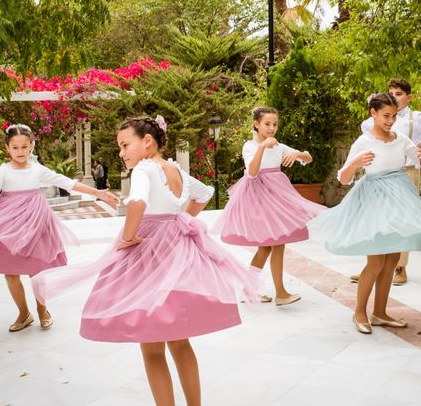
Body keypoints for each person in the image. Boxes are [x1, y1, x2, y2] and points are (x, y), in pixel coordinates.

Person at [33, 116, 258, 406]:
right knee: (180, 341)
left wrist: (128, 237)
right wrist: (182, 220)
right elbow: (204, 194)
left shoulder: (144, 169)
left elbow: (137, 202)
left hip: (149, 254)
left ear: (147, 141)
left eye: (125, 145)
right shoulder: (174, 169)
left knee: (152, 347)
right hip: (177, 253)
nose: (121, 153)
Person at [0, 123, 118, 332]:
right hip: (9, 223)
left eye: (24, 146)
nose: (20, 151)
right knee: (10, 271)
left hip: (35, 222)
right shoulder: (3, 171)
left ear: (31, 145)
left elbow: (67, 182)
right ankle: (24, 313)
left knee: (36, 270)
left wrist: (99, 193)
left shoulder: (37, 169)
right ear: (7, 148)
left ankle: (43, 310)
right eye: (15, 147)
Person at [307, 93, 421, 334]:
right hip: (374, 201)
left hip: (399, 198)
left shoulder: (401, 139)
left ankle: (380, 312)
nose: (390, 120)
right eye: (386, 115)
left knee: (391, 260)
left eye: (394, 116)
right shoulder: (364, 141)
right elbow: (343, 179)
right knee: (375, 261)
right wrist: (355, 164)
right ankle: (359, 312)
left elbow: (420, 161)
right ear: (373, 113)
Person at [214, 106, 326, 306]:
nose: (272, 128)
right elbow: (252, 172)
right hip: (259, 199)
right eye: (267, 124)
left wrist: (298, 154)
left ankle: (249, 290)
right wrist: (262, 147)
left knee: (268, 246)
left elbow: (309, 158)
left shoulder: (279, 146)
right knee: (273, 244)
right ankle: (280, 293)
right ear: (256, 124)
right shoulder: (250, 146)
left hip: (278, 197)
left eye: (275, 124)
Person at [350, 78, 421, 285]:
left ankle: (400, 268)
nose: (394, 97)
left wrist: (420, 145)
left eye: (398, 94)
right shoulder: (380, 117)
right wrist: (376, 105)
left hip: (406, 172)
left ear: (408, 97)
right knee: (377, 219)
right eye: (391, 93)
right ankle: (373, 266)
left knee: (401, 220)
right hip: (380, 174)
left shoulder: (417, 117)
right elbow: (368, 128)